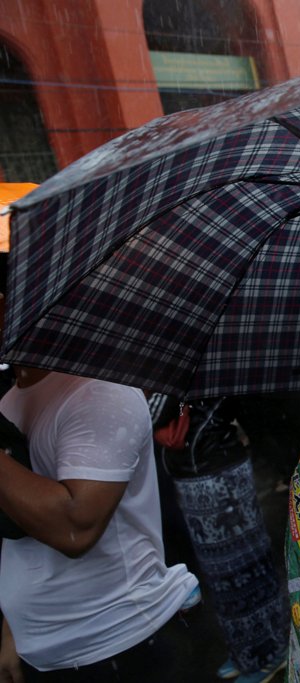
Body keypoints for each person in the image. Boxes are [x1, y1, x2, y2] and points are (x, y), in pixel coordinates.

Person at [0, 265, 200, 682]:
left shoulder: (98, 390)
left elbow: (75, 527)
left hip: (122, 644)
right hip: (47, 650)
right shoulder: (12, 398)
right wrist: (12, 628)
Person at [149, 394, 290, 683]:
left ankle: (271, 652)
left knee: (247, 569)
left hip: (218, 471)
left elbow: (156, 413)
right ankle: (246, 652)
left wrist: (156, 394)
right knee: (223, 577)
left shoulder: (208, 368)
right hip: (194, 471)